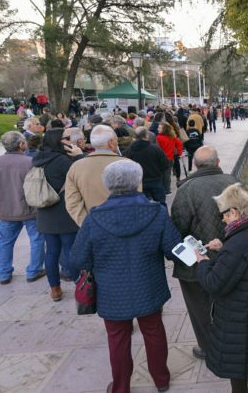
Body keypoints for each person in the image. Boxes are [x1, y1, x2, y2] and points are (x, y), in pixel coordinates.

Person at [69, 160, 180, 393]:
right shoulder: (156, 212)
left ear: (108, 185)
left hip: (111, 291)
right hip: (149, 286)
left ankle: (121, 387)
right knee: (154, 331)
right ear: (138, 182)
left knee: (117, 339)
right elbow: (174, 249)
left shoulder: (94, 217)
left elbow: (78, 259)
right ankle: (161, 379)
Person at [193, 183, 248, 393]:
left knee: (238, 363)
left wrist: (202, 261)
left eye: (223, 214)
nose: (222, 219)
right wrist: (223, 249)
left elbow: (214, 283)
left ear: (234, 212)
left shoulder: (237, 245)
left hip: (240, 316)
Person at [171, 146, 238, 359]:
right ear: (217, 163)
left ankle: (209, 348)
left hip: (197, 264)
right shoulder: (234, 183)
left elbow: (178, 228)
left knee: (201, 309)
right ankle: (232, 342)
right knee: (230, 304)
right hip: (231, 258)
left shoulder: (186, 190)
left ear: (195, 165)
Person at [0, 131, 45, 285]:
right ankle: (34, 270)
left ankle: (4, 273)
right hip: (29, 210)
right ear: (21, 145)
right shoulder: (30, 162)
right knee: (37, 240)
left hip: (5, 210)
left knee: (5, 241)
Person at [32, 128, 84, 301]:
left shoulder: (38, 158)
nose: (70, 141)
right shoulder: (62, 161)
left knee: (51, 252)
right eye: (67, 138)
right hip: (64, 212)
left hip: (45, 212)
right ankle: (79, 286)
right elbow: (81, 175)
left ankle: (54, 288)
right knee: (70, 250)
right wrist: (78, 155)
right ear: (57, 141)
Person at [64, 125, 127, 227]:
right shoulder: (128, 165)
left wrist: (88, 225)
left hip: (92, 225)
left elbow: (72, 203)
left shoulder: (76, 167)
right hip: (123, 225)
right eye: (116, 140)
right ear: (111, 142)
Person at [124, 127, 170, 205]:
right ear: (147, 135)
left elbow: (126, 166)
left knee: (143, 205)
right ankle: (163, 216)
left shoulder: (129, 150)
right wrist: (158, 173)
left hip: (139, 182)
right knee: (161, 204)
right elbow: (165, 164)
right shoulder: (155, 148)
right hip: (155, 180)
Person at [156, 122, 183, 195]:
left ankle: (163, 189)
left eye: (159, 128)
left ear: (164, 129)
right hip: (170, 159)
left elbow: (158, 149)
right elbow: (179, 144)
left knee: (162, 175)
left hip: (161, 159)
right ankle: (167, 190)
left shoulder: (159, 137)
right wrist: (179, 153)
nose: (157, 129)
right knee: (167, 175)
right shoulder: (172, 137)